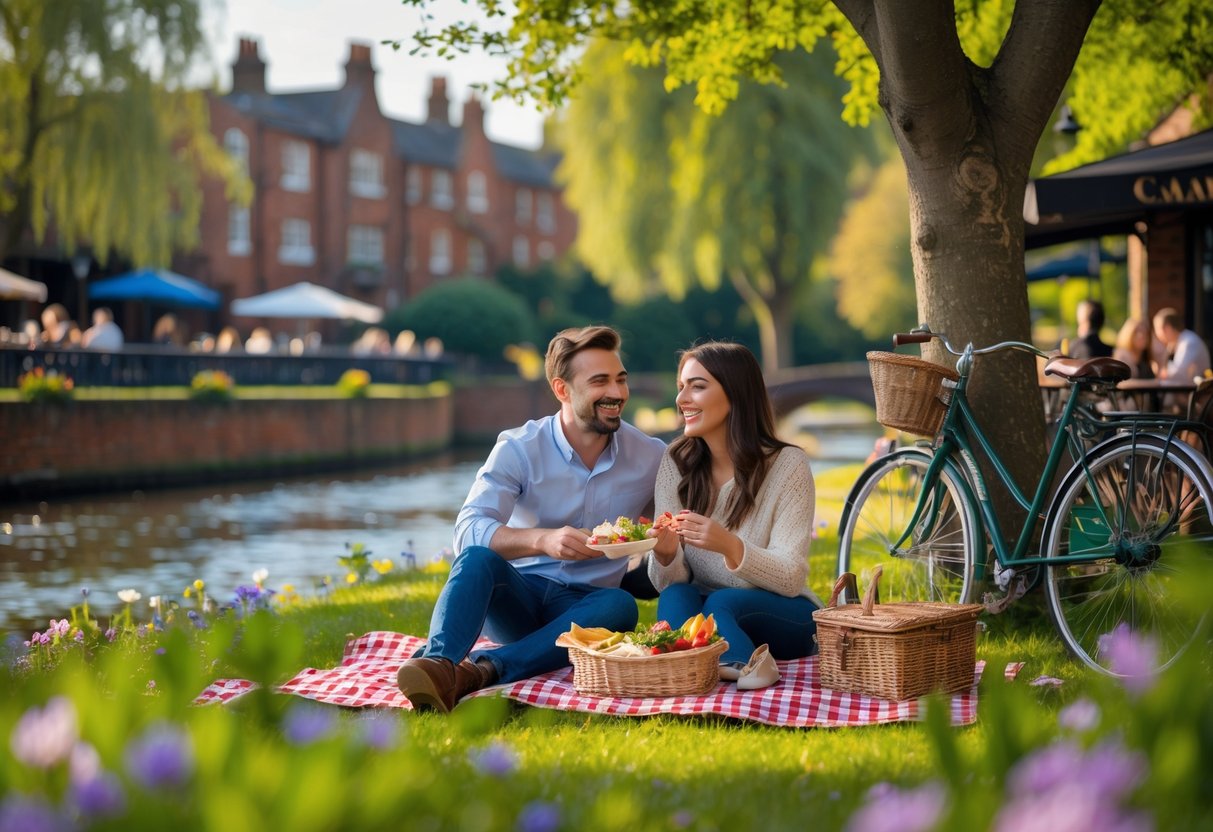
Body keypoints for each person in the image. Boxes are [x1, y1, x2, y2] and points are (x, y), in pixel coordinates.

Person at [396, 325, 667, 712]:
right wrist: (541, 540)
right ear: (562, 389)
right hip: (517, 597)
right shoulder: (519, 448)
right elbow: (469, 529)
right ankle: (439, 665)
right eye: (600, 381)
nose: (617, 393)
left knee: (620, 606)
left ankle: (480, 672)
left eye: (620, 380)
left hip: (585, 608)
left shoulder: (650, 456)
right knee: (476, 558)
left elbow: (670, 524)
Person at [647, 341, 820, 690]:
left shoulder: (788, 466)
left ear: (735, 393)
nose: (682, 399)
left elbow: (789, 577)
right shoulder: (675, 464)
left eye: (697, 386)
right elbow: (670, 581)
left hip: (785, 616)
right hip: (708, 613)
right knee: (674, 597)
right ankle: (713, 666)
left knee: (721, 600)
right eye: (681, 387)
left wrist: (729, 545)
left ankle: (737, 663)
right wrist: (665, 554)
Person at [1153, 307, 1211, 382]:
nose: (1158, 335)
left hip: (1195, 391)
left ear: (1167, 328)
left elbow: (1178, 374)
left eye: (1157, 330)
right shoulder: (1180, 341)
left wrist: (1158, 371)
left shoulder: (1189, 343)